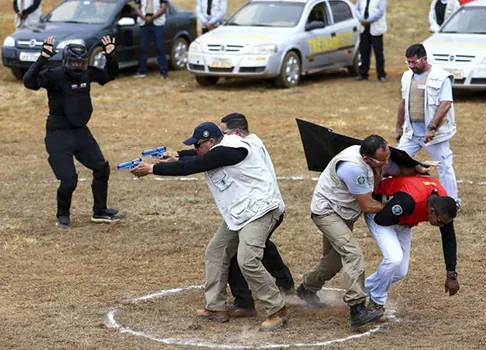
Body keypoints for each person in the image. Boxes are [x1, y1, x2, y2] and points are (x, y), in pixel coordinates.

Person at [130, 122, 290, 332]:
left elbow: (194, 165)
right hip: (240, 213)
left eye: (198, 144)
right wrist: (178, 154)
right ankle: (215, 308)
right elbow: (199, 156)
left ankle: (277, 309)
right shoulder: (218, 149)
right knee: (215, 252)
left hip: (261, 210)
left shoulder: (231, 149)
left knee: (248, 260)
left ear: (211, 141)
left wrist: (153, 168)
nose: (196, 148)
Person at [298, 135, 429, 328]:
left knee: (333, 261)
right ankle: (357, 308)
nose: (386, 163)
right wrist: (395, 208)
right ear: (367, 159)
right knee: (352, 253)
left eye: (387, 157)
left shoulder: (379, 157)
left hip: (345, 213)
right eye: (382, 161)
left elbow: (398, 168)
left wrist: (416, 168)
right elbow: (368, 205)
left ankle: (307, 289)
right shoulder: (353, 168)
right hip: (327, 212)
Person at [23, 36, 120, 229]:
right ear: (66, 61)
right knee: (69, 180)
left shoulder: (86, 74)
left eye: (81, 62)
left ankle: (100, 211)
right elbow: (29, 82)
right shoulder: (54, 76)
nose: (78, 65)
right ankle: (63, 215)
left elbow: (109, 75)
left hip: (80, 132)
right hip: (58, 134)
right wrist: (42, 58)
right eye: (74, 62)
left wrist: (110, 55)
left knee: (101, 168)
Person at [219, 113, 295, 317]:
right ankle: (284, 284)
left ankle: (246, 302)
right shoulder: (251, 141)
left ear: (236, 132)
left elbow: (213, 156)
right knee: (260, 248)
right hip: (258, 207)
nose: (222, 139)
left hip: (263, 208)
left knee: (243, 254)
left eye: (224, 133)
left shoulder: (244, 147)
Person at [364, 175, 460, 318]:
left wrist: (451, 274)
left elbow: (449, 239)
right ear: (432, 211)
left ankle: (359, 290)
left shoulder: (444, 205)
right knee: (394, 259)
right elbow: (382, 219)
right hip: (380, 214)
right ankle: (376, 303)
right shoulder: (409, 202)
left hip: (402, 220)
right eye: (440, 222)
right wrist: (402, 217)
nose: (442, 225)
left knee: (400, 271)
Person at [396, 43, 461, 208]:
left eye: (414, 62)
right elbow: (403, 103)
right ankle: (397, 196)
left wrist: (431, 127)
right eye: (408, 62)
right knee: (396, 162)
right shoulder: (406, 76)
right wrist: (398, 127)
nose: (411, 66)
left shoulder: (441, 77)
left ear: (424, 58)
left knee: (444, 167)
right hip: (411, 134)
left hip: (434, 135)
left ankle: (451, 202)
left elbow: (446, 104)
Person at [133, 0, 169, 78]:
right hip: (144, 22)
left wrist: (152, 17)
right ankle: (141, 70)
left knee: (160, 47)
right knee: (143, 47)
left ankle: (164, 71)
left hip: (157, 23)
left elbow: (163, 8)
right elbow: (136, 7)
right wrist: (144, 17)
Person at [354, 0, 387, 81]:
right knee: (364, 51)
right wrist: (361, 19)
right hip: (364, 28)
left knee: (378, 52)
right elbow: (356, 9)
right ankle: (363, 74)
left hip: (375, 28)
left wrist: (368, 20)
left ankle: (381, 74)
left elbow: (381, 11)